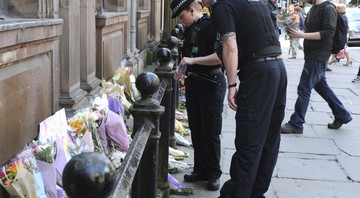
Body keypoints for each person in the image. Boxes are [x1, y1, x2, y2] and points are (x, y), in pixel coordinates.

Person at [203, 0, 287, 197]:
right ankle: (257, 192)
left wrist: (231, 85)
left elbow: (230, 46)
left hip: (258, 72)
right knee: (269, 139)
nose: (200, 1)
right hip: (277, 69)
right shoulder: (254, 3)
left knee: (250, 140)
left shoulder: (223, 6)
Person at [170, 0, 226, 191]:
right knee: (197, 129)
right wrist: (182, 69)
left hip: (212, 84)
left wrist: (192, 61)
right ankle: (200, 169)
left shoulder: (212, 25)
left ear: (192, 10)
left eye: (182, 16)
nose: (181, 21)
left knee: (211, 132)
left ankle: (213, 173)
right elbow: (188, 56)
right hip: (194, 83)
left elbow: (221, 57)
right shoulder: (190, 28)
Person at [281, 0, 352, 134]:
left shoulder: (328, 8)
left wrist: (302, 35)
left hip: (319, 54)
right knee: (321, 86)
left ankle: (296, 123)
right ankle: (342, 115)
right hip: (312, 53)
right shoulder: (314, 8)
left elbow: (328, 32)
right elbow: (312, 30)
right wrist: (297, 31)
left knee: (304, 88)